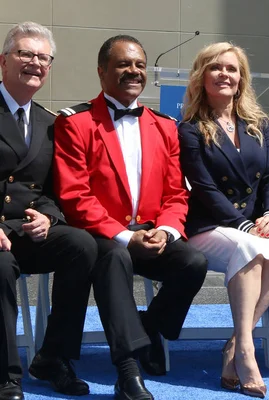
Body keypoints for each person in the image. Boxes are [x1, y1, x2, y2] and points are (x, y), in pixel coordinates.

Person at [52, 35, 208, 400]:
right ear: (102, 71)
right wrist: (124, 235)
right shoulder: (75, 123)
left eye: (139, 65)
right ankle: (127, 370)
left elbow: (175, 192)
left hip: (152, 230)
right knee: (116, 256)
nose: (133, 71)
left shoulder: (165, 126)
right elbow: (75, 196)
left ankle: (149, 325)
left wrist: (167, 232)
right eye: (123, 64)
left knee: (193, 262)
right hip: (101, 236)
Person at [179, 42, 269, 398]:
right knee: (251, 247)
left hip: (251, 225)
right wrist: (243, 224)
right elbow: (203, 187)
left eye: (232, 69)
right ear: (202, 76)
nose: (225, 74)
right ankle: (246, 352)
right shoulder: (191, 129)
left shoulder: (261, 125)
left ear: (242, 79)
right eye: (216, 68)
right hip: (207, 226)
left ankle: (234, 345)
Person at [0, 21, 98, 400]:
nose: (35, 63)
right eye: (26, 54)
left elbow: (55, 190)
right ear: (4, 61)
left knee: (82, 245)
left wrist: (49, 216)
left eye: (43, 57)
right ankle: (7, 374)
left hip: (25, 231)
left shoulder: (51, 123)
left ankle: (53, 357)